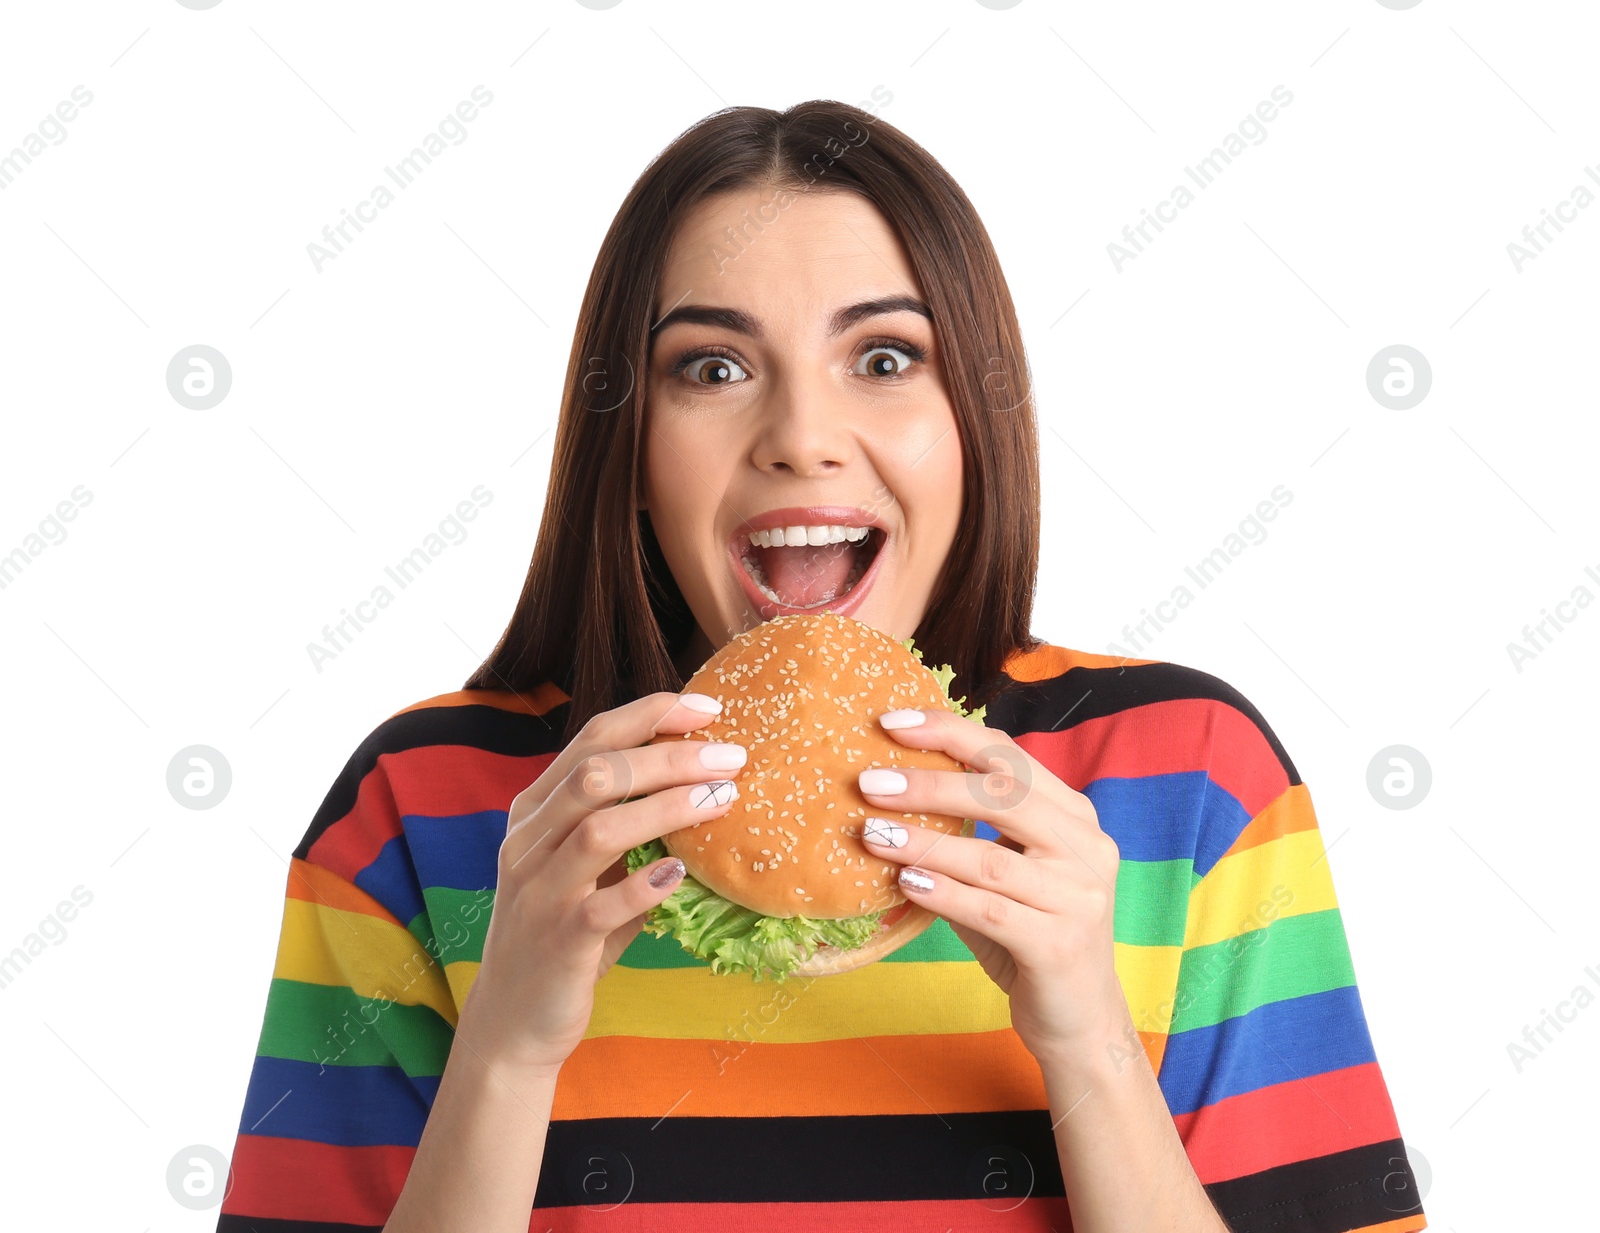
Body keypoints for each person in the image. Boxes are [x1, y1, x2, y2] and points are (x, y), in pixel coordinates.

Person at [216, 101, 1428, 1232]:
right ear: (626, 437)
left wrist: (1091, 1048)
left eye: (887, 357)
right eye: (713, 367)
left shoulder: (1189, 774)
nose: (799, 437)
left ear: (978, 416)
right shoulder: (420, 808)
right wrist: (510, 1053)